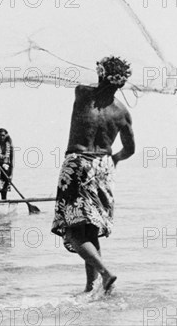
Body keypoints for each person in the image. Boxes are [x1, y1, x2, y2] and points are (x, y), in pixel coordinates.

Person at [51, 56, 135, 294]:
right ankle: (92, 287)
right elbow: (130, 149)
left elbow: (84, 80)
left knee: (73, 231)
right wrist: (114, 160)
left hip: (78, 163)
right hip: (103, 168)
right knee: (90, 230)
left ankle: (106, 272)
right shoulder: (122, 113)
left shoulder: (82, 94)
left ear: (100, 74)